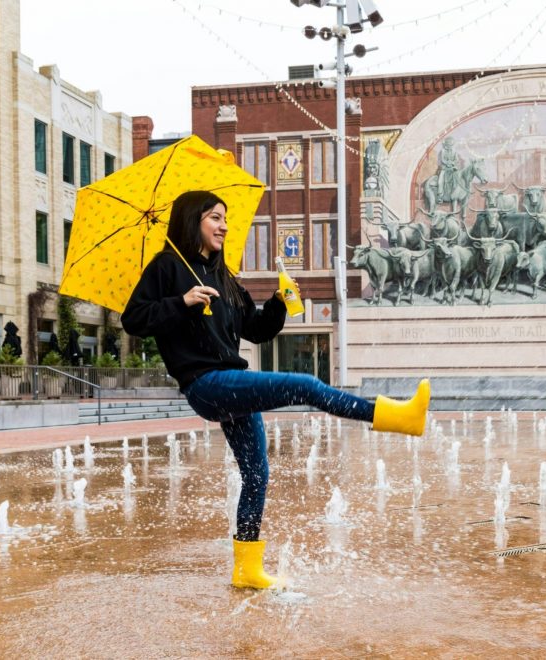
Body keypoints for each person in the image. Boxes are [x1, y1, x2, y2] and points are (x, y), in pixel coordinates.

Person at [122, 190, 430, 590]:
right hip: (206, 385)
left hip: (231, 384)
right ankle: (392, 416)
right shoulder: (167, 267)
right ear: (192, 220)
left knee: (256, 475)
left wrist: (281, 302)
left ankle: (247, 568)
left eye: (225, 219)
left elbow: (256, 329)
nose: (224, 226)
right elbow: (133, 319)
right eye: (215, 218)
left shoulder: (223, 275)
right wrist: (181, 301)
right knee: (305, 384)